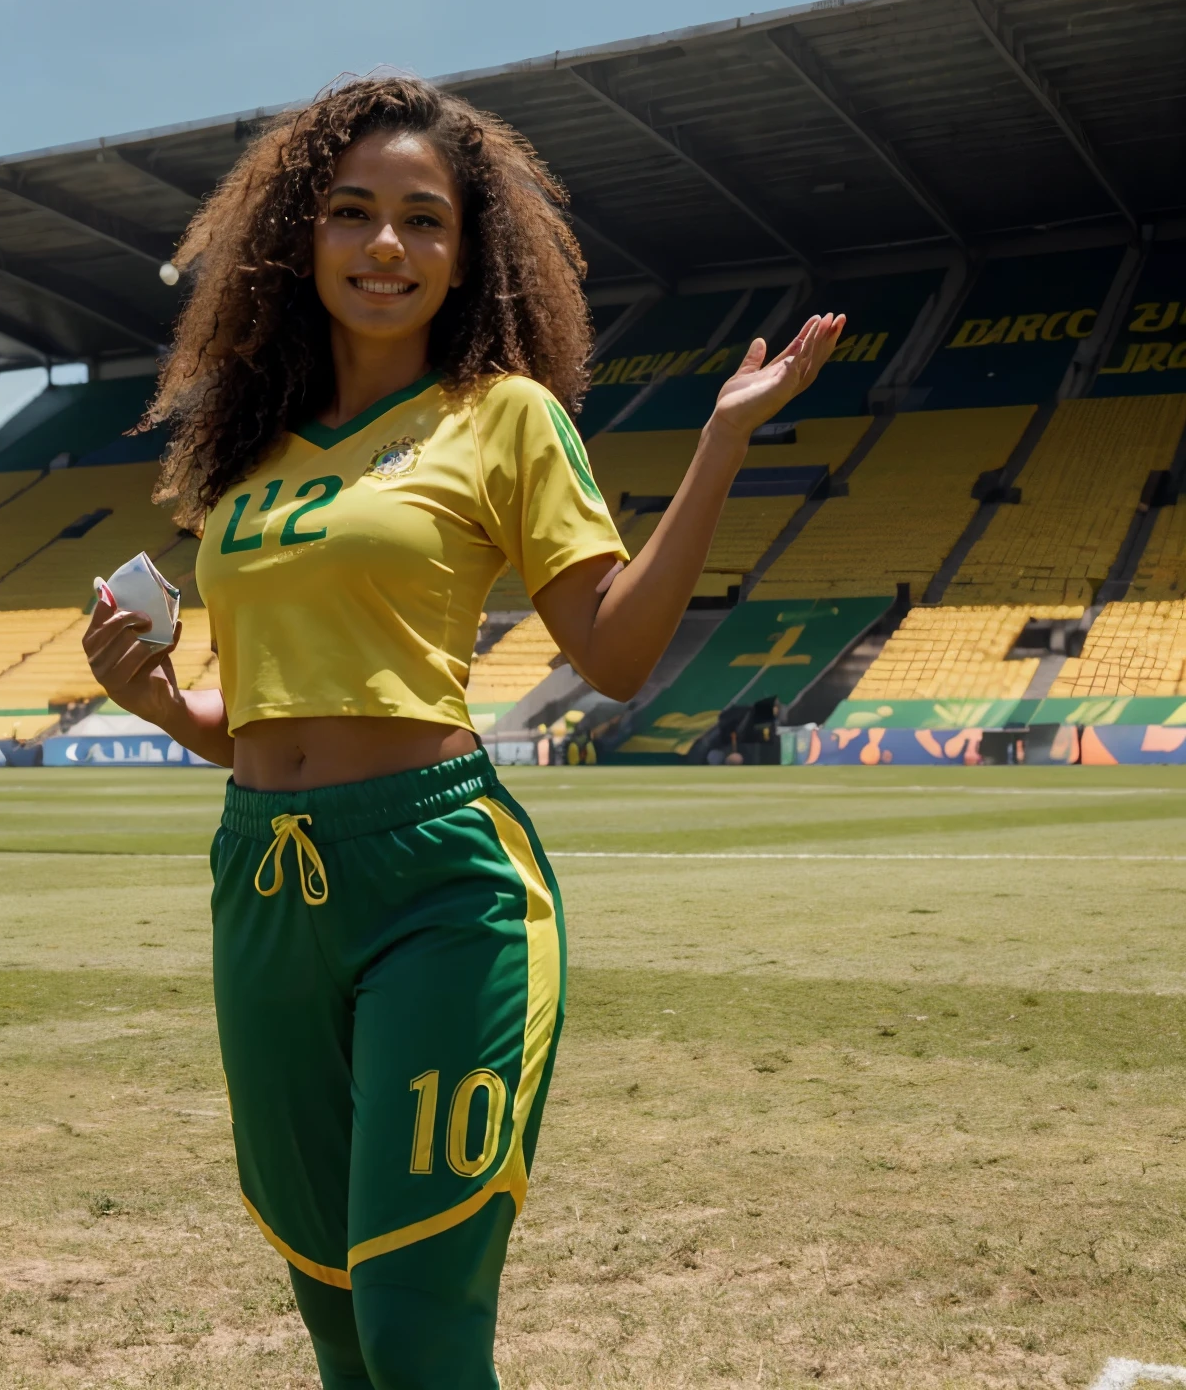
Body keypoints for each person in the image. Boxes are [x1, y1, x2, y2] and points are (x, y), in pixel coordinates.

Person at [83, 76, 843, 1390]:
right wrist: (157, 700)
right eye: (354, 214)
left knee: (417, 1327)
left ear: (466, 251)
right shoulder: (244, 458)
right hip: (262, 885)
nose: (389, 248)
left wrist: (722, 444)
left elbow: (612, 653)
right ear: (299, 236)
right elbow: (260, 716)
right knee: (333, 1321)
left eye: (425, 222)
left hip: (438, 886)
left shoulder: (504, 418)